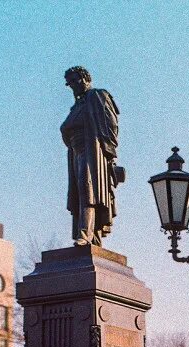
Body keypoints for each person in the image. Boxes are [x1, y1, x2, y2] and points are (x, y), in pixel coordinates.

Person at [61, 66, 122, 246]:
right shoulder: (76, 106)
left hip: (92, 150)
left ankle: (85, 233)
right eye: (70, 83)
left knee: (88, 188)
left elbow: (111, 124)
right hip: (76, 151)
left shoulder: (97, 96)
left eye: (76, 80)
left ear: (85, 78)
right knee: (78, 193)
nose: (73, 85)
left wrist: (108, 150)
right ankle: (91, 234)